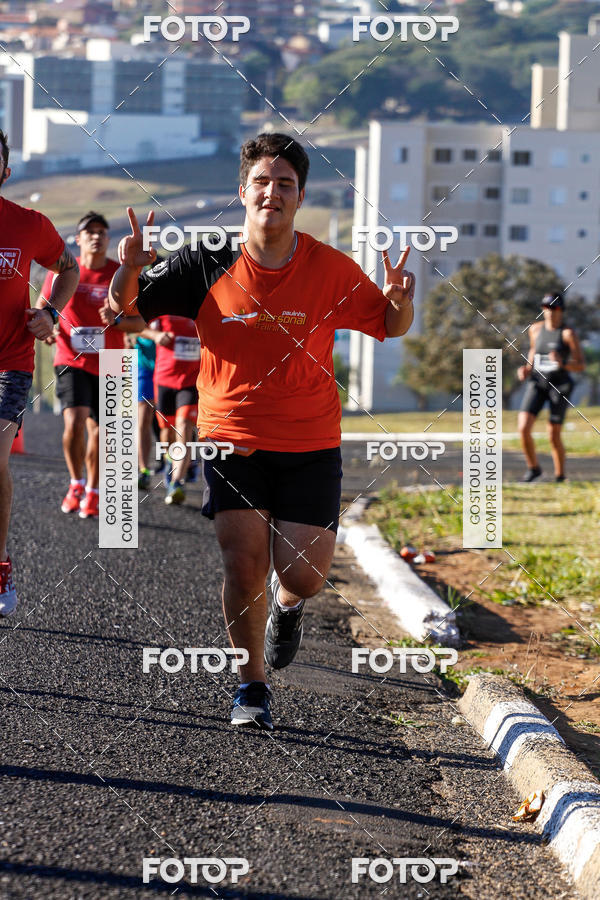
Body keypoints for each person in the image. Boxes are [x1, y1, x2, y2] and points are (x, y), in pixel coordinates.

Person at [109, 133, 415, 729]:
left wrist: (402, 299)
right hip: (231, 437)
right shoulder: (204, 261)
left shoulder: (329, 268)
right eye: (261, 182)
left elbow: (390, 325)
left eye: (285, 184)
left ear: (299, 198)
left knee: (302, 572)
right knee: (242, 563)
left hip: (310, 441)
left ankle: (290, 604)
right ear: (242, 192)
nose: (272, 193)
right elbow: (122, 317)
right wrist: (128, 270)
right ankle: (252, 687)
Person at [0, 128, 80, 615]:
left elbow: (67, 268)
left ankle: (0, 566)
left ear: (5, 171)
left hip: (8, 363)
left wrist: (49, 311)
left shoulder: (29, 224)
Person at [38, 212, 144, 518]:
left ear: (108, 239)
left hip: (112, 363)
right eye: (90, 232)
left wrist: (119, 321)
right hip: (71, 358)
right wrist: (49, 327)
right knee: (74, 422)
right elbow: (43, 308)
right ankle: (76, 482)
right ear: (78, 239)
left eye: (102, 232)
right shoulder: (63, 271)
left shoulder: (119, 274)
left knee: (102, 434)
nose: (97, 236)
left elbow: (141, 323)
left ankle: (95, 491)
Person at [518, 291, 585, 482]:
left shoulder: (567, 333)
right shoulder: (535, 329)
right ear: (542, 309)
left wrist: (563, 362)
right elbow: (533, 350)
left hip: (560, 385)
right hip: (538, 382)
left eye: (554, 308)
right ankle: (533, 469)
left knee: (553, 433)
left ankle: (560, 476)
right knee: (523, 428)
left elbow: (580, 365)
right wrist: (526, 368)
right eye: (546, 307)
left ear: (561, 310)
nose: (550, 312)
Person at [139, 316, 200, 504]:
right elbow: (135, 326)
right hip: (164, 379)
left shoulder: (200, 305)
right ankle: (169, 459)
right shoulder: (163, 307)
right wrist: (155, 335)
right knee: (167, 433)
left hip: (192, 379)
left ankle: (176, 482)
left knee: (184, 425)